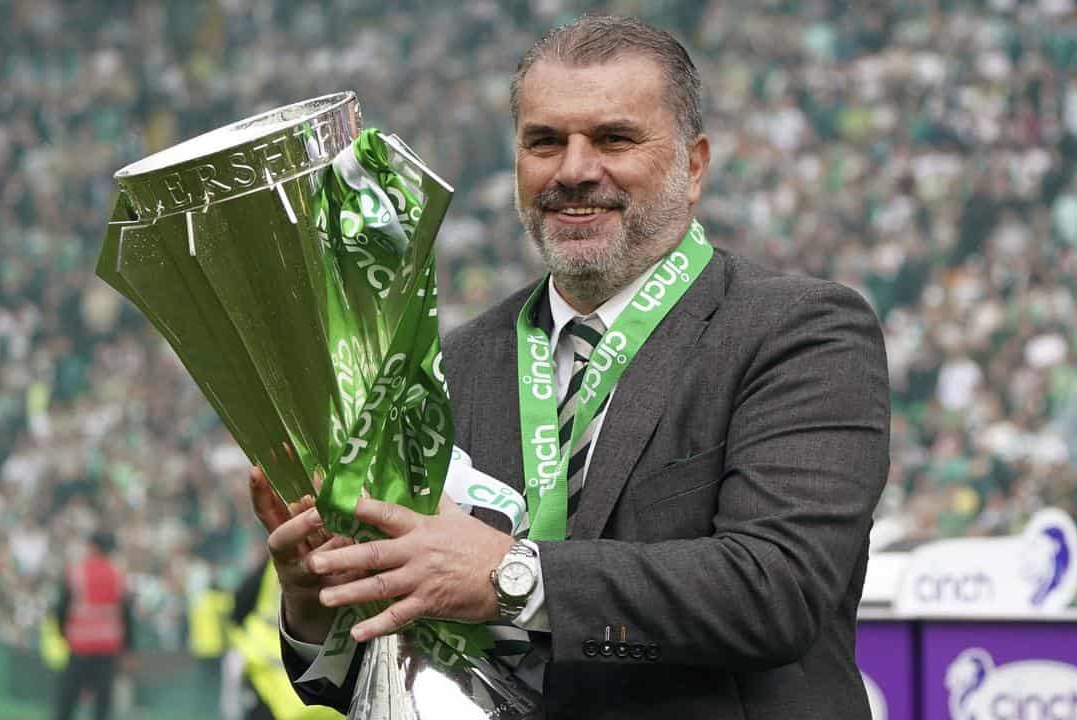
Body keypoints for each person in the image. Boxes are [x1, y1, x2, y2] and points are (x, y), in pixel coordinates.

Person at [250, 15, 889, 719]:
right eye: (544, 142)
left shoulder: (799, 330)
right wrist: (320, 600)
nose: (575, 170)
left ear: (694, 165)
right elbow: (386, 671)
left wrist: (511, 575)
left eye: (614, 138)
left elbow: (778, 590)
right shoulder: (448, 366)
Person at [53, 531, 134, 720]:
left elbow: (61, 609)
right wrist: (128, 646)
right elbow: (126, 614)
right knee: (102, 705)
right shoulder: (117, 575)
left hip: (79, 647)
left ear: (92, 547)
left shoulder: (76, 573)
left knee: (67, 702)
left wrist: (63, 635)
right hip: (107, 649)